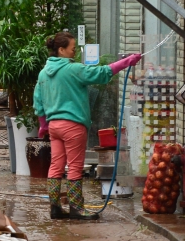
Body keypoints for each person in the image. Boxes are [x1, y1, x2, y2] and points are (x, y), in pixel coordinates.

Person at [34, 32, 141, 221]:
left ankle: (55, 207)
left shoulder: (43, 73)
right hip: (73, 125)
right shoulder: (73, 69)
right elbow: (101, 73)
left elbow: (38, 102)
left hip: (54, 127)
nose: (74, 52)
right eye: (72, 48)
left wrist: (43, 125)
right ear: (61, 50)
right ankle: (76, 208)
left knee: (56, 166)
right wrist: (126, 62)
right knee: (75, 167)